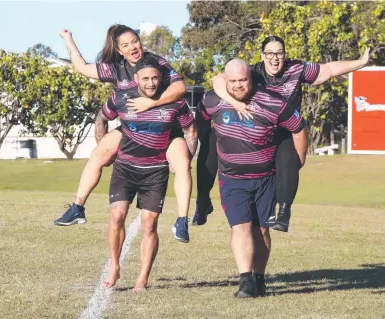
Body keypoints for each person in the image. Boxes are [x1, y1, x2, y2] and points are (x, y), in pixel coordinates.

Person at [194, 36, 370, 232]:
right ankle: (202, 200)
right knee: (212, 139)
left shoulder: (297, 68)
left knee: (287, 153)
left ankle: (284, 212)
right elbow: (218, 80)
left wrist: (360, 63)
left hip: (285, 131)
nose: (274, 58)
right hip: (257, 132)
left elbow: (328, 70)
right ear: (262, 56)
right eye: (269, 54)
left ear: (285, 55)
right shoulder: (252, 72)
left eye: (279, 53)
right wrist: (235, 103)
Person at [54, 25, 194, 242]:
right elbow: (81, 67)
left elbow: (180, 89)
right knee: (99, 153)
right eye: (126, 45)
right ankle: (78, 207)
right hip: (133, 127)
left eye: (135, 41)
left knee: (183, 164)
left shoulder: (157, 63)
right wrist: (68, 39)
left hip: (166, 128)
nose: (133, 47)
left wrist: (151, 102)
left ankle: (182, 221)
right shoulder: (116, 69)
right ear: (119, 50)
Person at [197, 59, 307, 297]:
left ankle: (259, 278)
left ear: (251, 78)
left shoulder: (273, 103)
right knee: (240, 227)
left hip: (266, 178)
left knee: (262, 230)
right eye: (233, 81)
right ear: (225, 80)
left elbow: (298, 127)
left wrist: (298, 162)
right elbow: (200, 125)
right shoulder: (212, 101)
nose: (238, 85)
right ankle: (245, 280)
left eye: (243, 80)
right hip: (232, 178)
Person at [98, 56, 197, 289]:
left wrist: (185, 157)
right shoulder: (121, 98)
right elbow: (101, 118)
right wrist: (104, 149)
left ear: (161, 78)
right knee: (116, 216)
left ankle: (142, 278)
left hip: (155, 172)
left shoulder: (175, 102)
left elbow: (191, 130)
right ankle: (114, 266)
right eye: (146, 79)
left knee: (149, 224)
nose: (151, 83)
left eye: (155, 78)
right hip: (125, 168)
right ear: (136, 79)